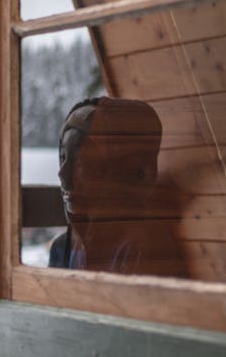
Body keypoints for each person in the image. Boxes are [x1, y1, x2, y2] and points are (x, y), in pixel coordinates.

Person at [49, 96, 187, 278]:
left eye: (80, 162)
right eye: (63, 158)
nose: (63, 175)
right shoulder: (64, 248)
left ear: (121, 169)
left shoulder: (144, 249)